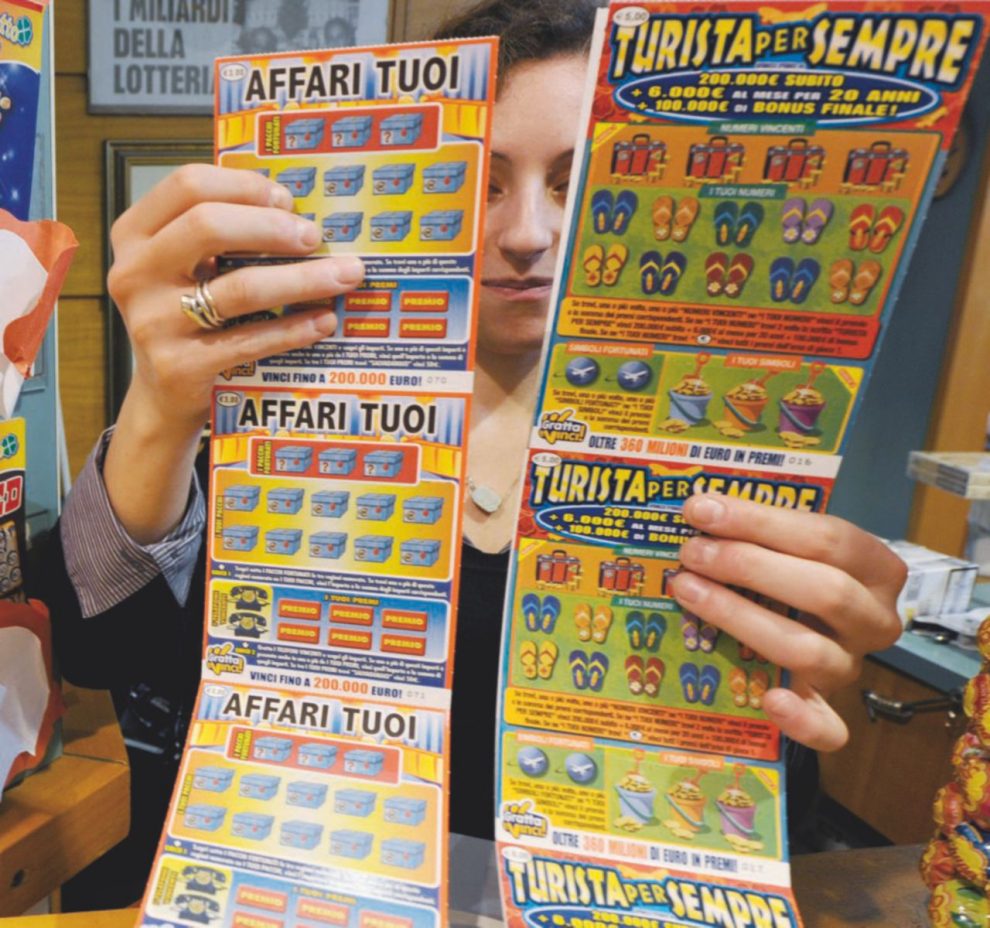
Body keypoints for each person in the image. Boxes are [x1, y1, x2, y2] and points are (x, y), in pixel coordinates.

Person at [35, 0, 905, 908]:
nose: (527, 231)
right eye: (475, 184)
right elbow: (99, 647)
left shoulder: (722, 460)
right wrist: (157, 406)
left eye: (578, 180)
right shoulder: (279, 424)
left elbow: (733, 803)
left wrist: (798, 681)